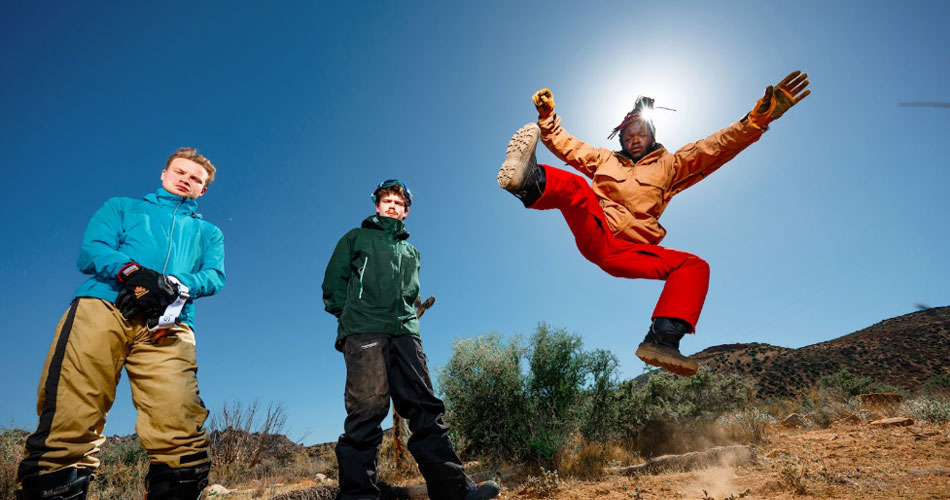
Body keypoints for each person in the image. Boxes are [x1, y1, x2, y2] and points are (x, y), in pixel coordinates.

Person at [497, 71, 810, 376]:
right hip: (598, 229)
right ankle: (527, 180)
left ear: (651, 137)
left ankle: (661, 342)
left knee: (693, 266)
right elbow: (568, 145)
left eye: (641, 135)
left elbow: (715, 147)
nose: (635, 140)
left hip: (632, 250)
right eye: (629, 136)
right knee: (578, 189)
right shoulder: (604, 159)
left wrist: (755, 121)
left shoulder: (671, 165)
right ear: (621, 139)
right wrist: (548, 116)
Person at [15, 148, 226, 500]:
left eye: (195, 179)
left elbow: (214, 277)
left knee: (180, 420)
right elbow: (92, 250)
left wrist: (170, 286)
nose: (185, 179)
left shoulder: (209, 233)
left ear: (202, 191)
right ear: (164, 174)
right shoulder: (122, 207)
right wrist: (135, 275)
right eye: (180, 172)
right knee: (72, 411)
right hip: (104, 306)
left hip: (168, 323)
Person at [321, 180, 499, 500]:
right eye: (386, 200)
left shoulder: (411, 252)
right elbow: (333, 285)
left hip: (405, 333)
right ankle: (358, 496)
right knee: (367, 412)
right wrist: (352, 318)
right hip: (364, 332)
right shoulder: (355, 238)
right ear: (377, 205)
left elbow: (410, 294)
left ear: (406, 212)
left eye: (398, 202)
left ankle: (453, 491)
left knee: (426, 409)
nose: (391, 205)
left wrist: (408, 320)